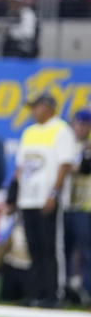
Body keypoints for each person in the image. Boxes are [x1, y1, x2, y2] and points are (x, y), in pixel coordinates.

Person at [7, 93, 76, 307]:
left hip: (47, 198)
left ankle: (54, 293)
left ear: (48, 107)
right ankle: (37, 292)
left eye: (36, 107)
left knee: (51, 247)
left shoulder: (61, 130)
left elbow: (64, 165)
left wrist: (53, 194)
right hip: (28, 198)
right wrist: (14, 193)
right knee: (33, 247)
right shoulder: (29, 132)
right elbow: (21, 165)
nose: (33, 111)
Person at [65, 109, 91, 303]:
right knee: (63, 250)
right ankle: (66, 291)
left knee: (86, 252)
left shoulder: (87, 146)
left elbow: (84, 167)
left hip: (85, 206)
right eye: (78, 123)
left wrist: (68, 167)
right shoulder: (67, 144)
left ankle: (88, 291)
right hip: (66, 205)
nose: (81, 127)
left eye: (85, 124)